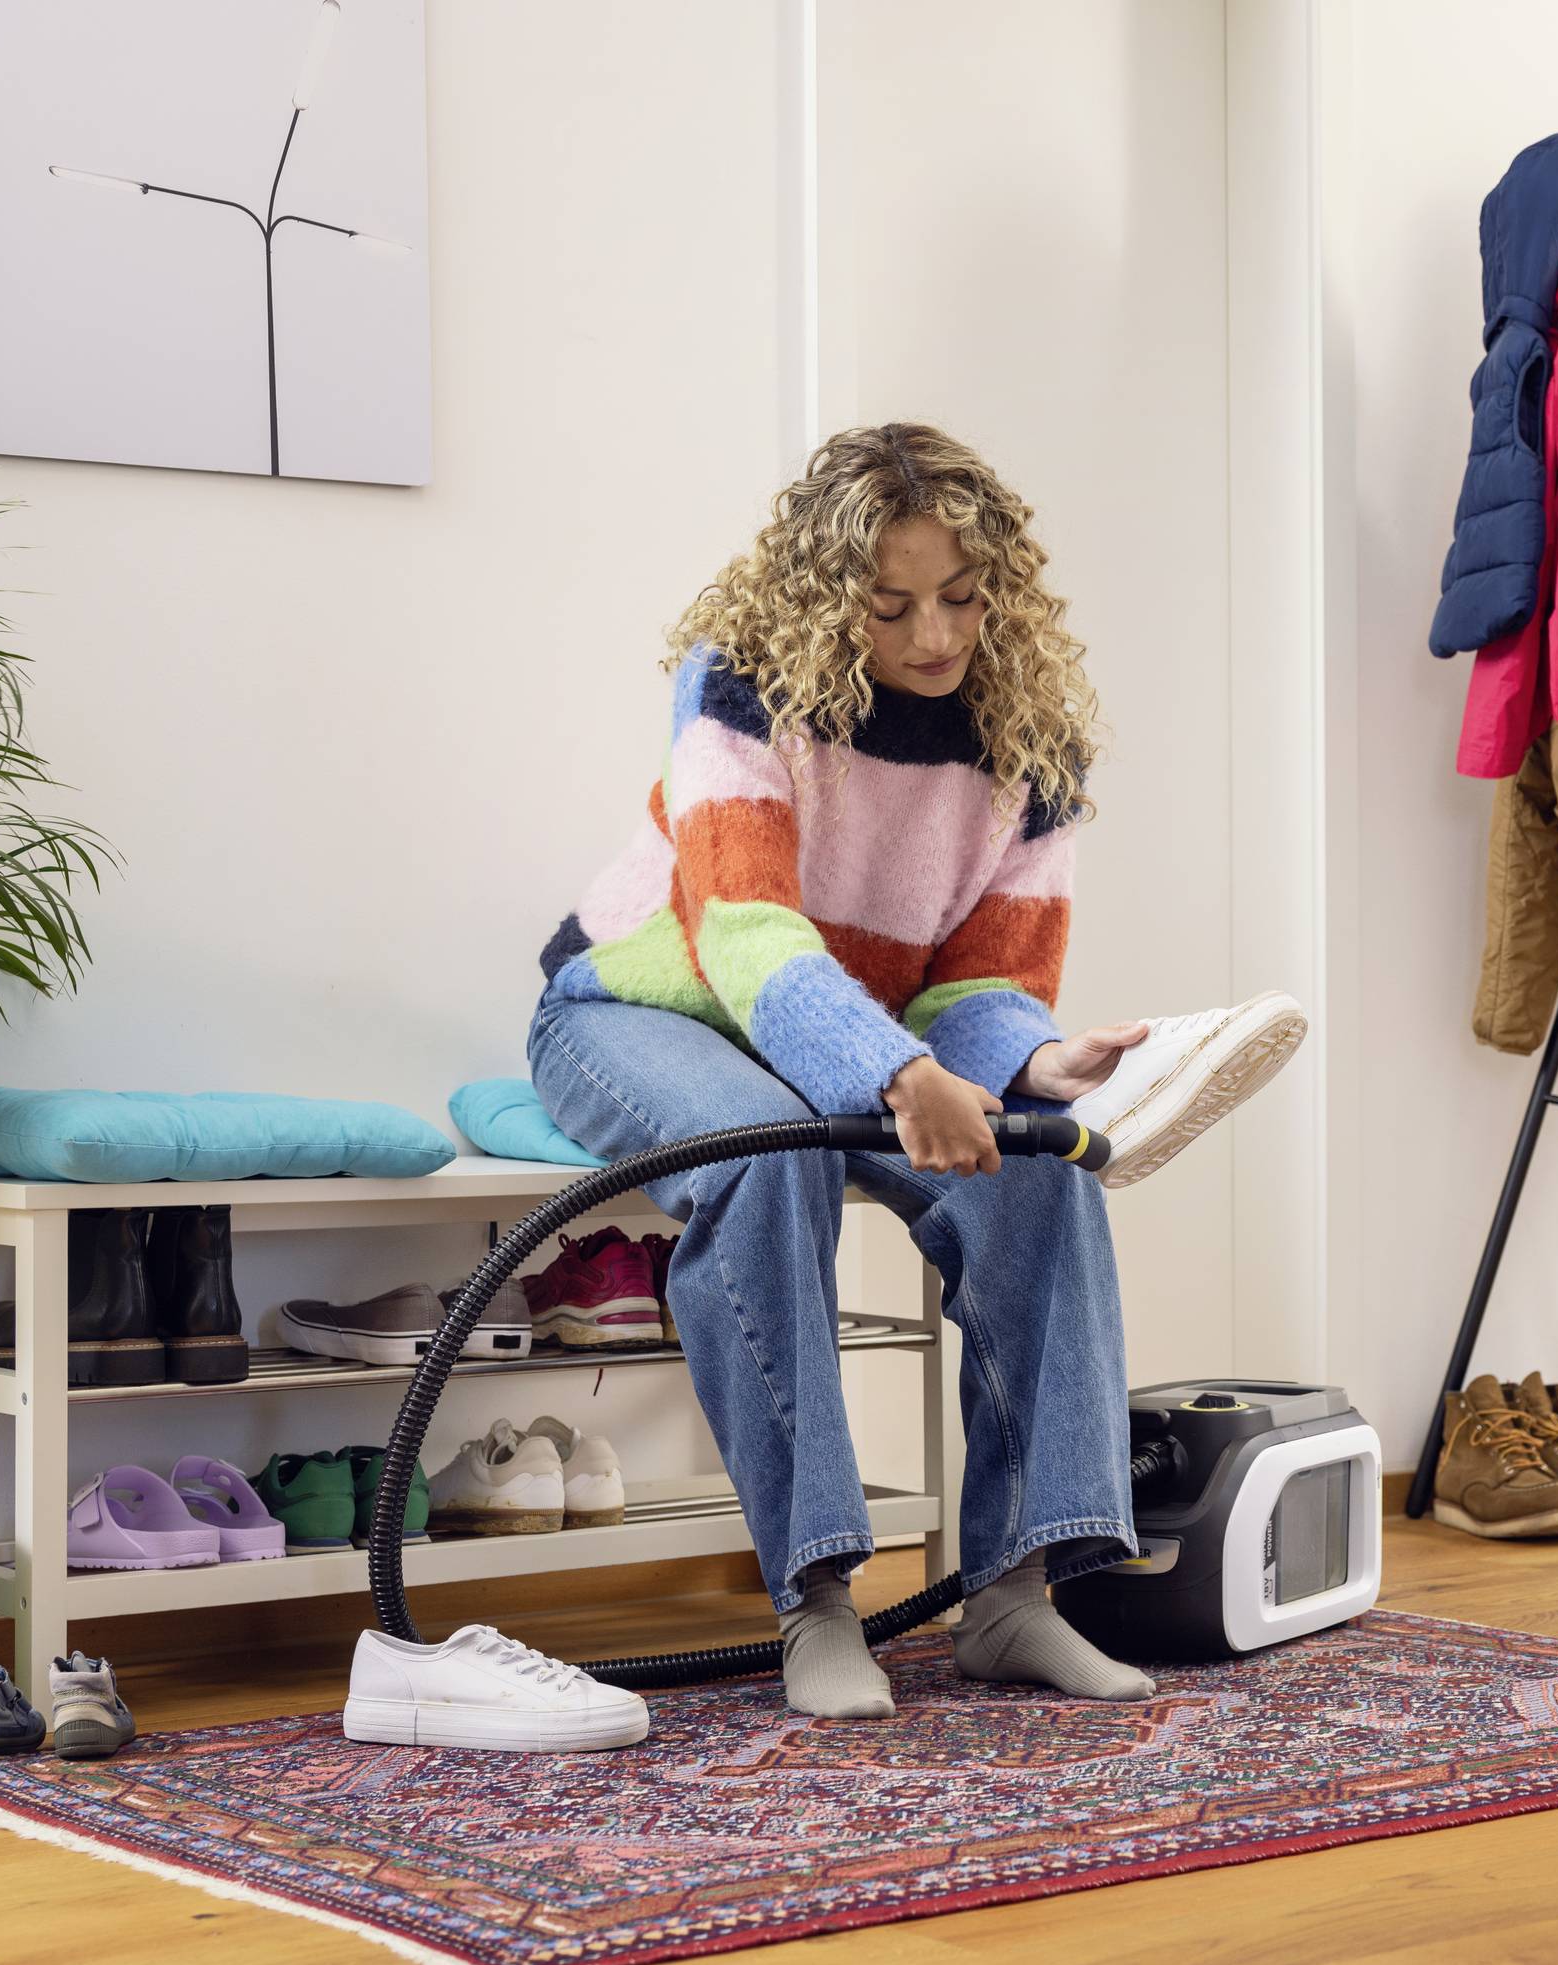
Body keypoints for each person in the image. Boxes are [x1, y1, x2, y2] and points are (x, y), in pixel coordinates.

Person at [528, 422, 1295, 1719]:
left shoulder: (1026, 741)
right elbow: (752, 940)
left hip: (861, 1031)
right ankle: (817, 1602)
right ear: (830, 601)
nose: (936, 635)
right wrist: (898, 1075)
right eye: (892, 607)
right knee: (768, 1160)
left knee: (1045, 1181)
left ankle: (1013, 1595)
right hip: (655, 1006)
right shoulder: (740, 687)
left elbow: (979, 987)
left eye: (962, 597)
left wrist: (1045, 1058)